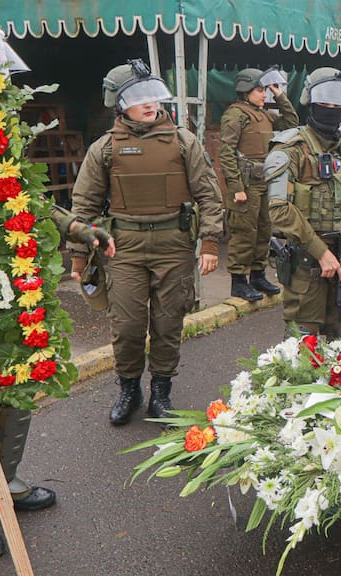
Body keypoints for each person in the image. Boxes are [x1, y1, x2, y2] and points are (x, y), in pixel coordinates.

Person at [69, 59, 224, 426]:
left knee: (169, 322)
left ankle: (161, 390)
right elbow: (84, 206)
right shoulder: (105, 148)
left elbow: (209, 195)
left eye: (153, 95)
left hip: (174, 244)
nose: (150, 103)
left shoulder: (184, 142)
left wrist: (211, 243)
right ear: (119, 103)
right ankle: (128, 388)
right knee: (126, 325)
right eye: (139, 97)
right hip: (123, 247)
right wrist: (78, 258)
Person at [0, 208, 117, 562]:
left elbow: (27, 196)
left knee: (19, 381)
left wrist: (79, 229)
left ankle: (0, 481)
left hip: (2, 284)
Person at [264, 67, 341, 337]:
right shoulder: (291, 149)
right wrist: (321, 252)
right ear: (310, 102)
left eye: (338, 104)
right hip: (307, 266)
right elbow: (279, 210)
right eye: (325, 103)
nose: (332, 109)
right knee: (301, 349)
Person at [219, 67, 299, 301]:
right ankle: (238, 281)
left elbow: (292, 122)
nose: (265, 94)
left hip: (264, 181)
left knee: (264, 229)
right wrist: (236, 188)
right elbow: (225, 153)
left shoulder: (262, 114)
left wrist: (280, 96)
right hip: (246, 183)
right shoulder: (236, 114)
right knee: (244, 232)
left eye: (265, 90)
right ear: (246, 90)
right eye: (260, 90)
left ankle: (257, 275)